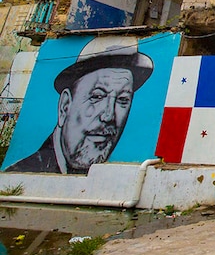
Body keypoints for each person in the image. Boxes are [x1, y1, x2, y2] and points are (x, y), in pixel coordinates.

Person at [6, 36, 153, 174]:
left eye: (122, 100)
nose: (109, 116)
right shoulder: (24, 172)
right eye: (97, 96)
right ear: (65, 106)